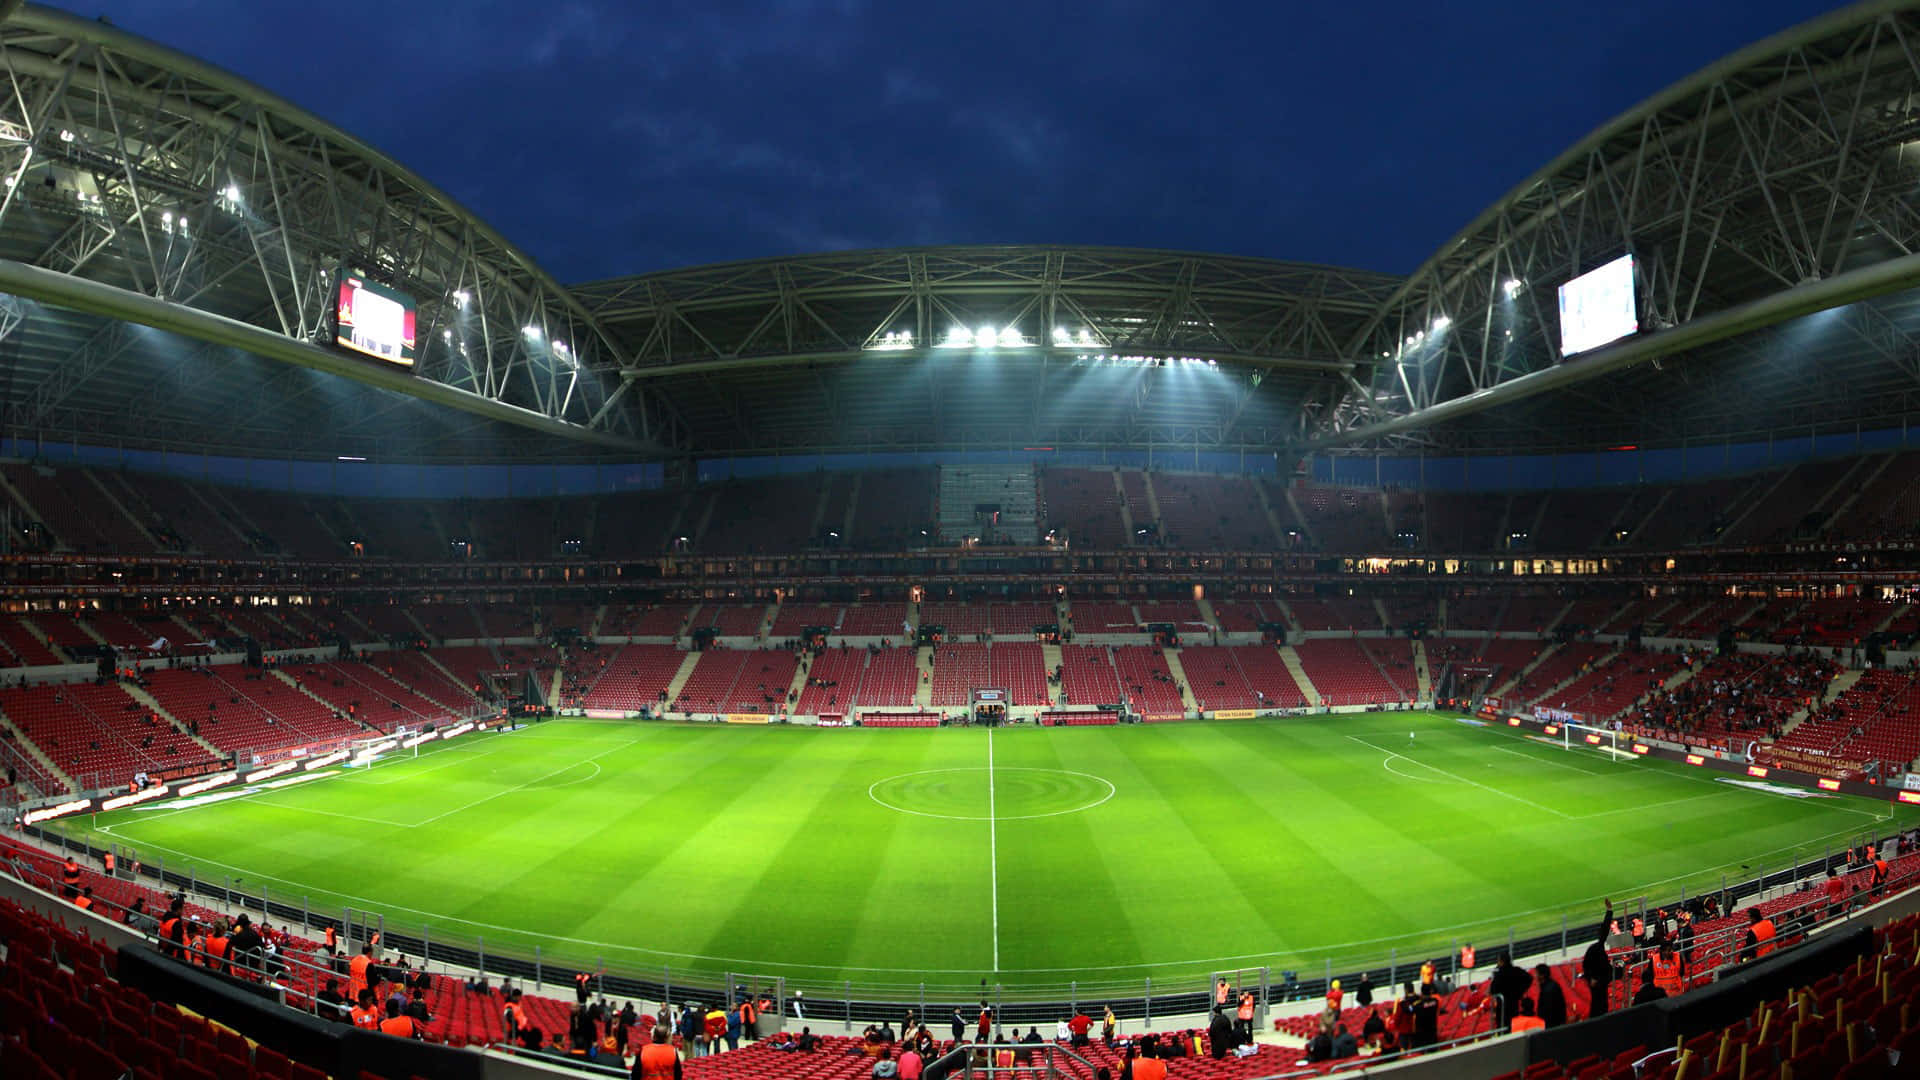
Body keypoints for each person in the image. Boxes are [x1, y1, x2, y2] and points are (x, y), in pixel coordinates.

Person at [1582, 899, 1616, 1017]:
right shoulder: (1595, 949)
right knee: (1598, 1006)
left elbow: (1605, 930)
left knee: (1601, 1006)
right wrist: (1591, 978)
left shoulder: (1596, 948)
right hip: (1598, 984)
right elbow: (1586, 966)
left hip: (1601, 983)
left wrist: (1609, 911)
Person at [1487, 952, 1532, 1029]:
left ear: (1502, 961)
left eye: (1498, 961)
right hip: (1514, 1004)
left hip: (1503, 1007)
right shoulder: (1516, 970)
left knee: (1504, 1027)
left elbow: (1492, 990)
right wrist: (1520, 992)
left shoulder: (1499, 974)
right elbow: (1529, 978)